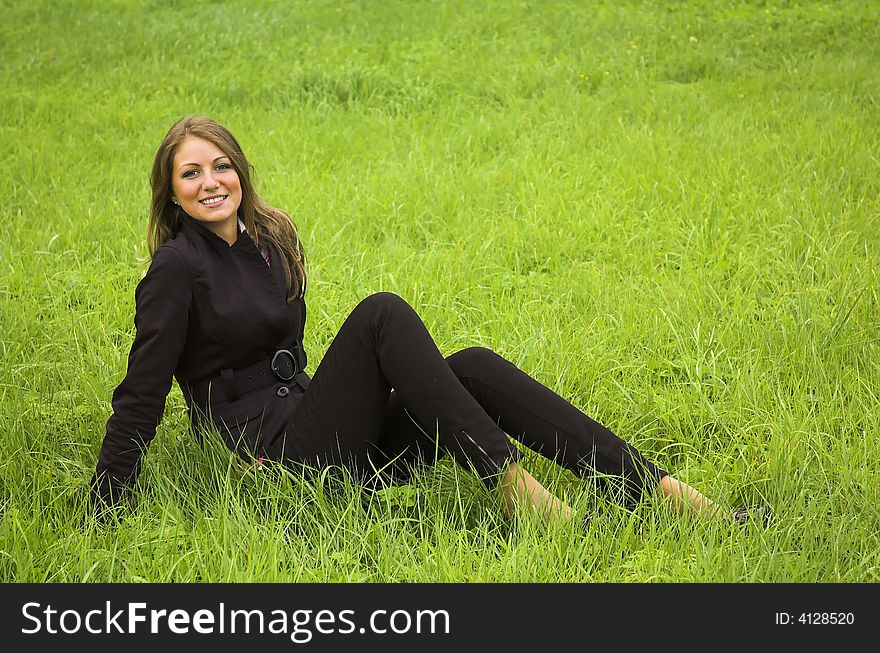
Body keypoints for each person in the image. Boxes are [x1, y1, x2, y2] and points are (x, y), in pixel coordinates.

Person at [91, 115, 754, 528]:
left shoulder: (268, 240)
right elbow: (143, 391)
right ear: (171, 191)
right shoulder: (176, 269)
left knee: (472, 366)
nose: (211, 180)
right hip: (274, 463)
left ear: (240, 171)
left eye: (221, 165)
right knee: (382, 312)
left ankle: (668, 493)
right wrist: (105, 505)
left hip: (326, 438)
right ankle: (512, 486)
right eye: (190, 172)